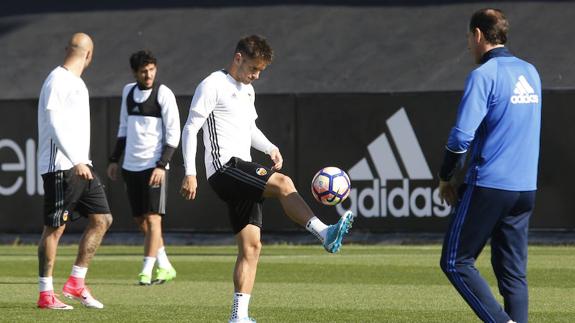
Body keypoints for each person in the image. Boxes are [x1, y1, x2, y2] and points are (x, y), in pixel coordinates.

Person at [180, 35, 355, 323]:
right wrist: (190, 171)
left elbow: (249, 128)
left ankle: (239, 316)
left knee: (251, 247)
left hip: (241, 168)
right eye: (253, 68)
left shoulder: (247, 90)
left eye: (260, 71)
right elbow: (191, 129)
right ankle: (325, 233)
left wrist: (270, 147)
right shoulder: (212, 84)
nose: (256, 75)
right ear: (238, 58)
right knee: (284, 183)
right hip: (225, 168)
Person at [438, 9, 541, 323]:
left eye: (469, 37)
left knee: (456, 261)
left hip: (490, 185)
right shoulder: (531, 72)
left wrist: (446, 177)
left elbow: (460, 137)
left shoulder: (484, 75)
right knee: (512, 274)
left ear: (479, 35)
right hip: (525, 189)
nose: (468, 44)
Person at [36, 32, 113, 310]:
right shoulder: (58, 79)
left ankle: (76, 282)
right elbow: (54, 124)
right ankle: (46, 294)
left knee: (102, 219)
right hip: (61, 167)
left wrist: (83, 161)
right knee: (55, 228)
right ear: (89, 55)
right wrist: (76, 159)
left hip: (82, 166)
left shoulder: (76, 82)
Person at [107, 50, 180, 285]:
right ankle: (165, 265)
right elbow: (123, 128)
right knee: (141, 220)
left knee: (153, 219)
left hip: (153, 167)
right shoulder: (128, 92)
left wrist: (162, 165)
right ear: (135, 73)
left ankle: (146, 270)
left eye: (151, 70)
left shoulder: (163, 93)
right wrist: (114, 160)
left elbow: (173, 134)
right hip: (130, 167)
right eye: (143, 71)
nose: (148, 75)